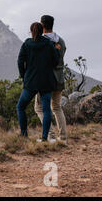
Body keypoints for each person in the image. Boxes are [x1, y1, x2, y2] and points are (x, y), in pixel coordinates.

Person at [16, 22, 59, 141]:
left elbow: (20, 62)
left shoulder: (27, 44)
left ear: (31, 31)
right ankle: (44, 138)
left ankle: (24, 134)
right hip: (46, 81)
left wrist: (24, 76)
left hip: (30, 82)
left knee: (20, 107)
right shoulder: (49, 44)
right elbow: (56, 61)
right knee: (46, 110)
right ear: (42, 31)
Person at [34, 15, 68, 143]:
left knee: (39, 108)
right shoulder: (61, 41)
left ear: (42, 25)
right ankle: (63, 138)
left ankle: (51, 136)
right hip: (59, 78)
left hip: (45, 80)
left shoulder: (40, 41)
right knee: (57, 108)